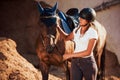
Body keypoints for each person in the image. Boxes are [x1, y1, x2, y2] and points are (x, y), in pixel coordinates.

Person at [57, 8, 98, 80]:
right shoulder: (76, 30)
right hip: (75, 63)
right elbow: (66, 38)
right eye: (80, 17)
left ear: (88, 21)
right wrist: (57, 27)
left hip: (88, 63)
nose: (80, 19)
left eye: (83, 18)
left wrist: (69, 55)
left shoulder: (92, 33)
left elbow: (88, 52)